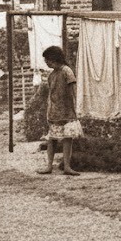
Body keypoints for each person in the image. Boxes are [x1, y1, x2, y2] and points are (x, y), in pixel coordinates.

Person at [37, 45, 83, 176]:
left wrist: (76, 108)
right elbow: (51, 95)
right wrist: (49, 110)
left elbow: (73, 90)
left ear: (54, 58)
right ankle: (49, 166)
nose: (47, 63)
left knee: (67, 138)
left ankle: (67, 166)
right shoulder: (51, 75)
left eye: (48, 60)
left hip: (67, 111)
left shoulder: (66, 71)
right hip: (54, 112)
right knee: (52, 139)